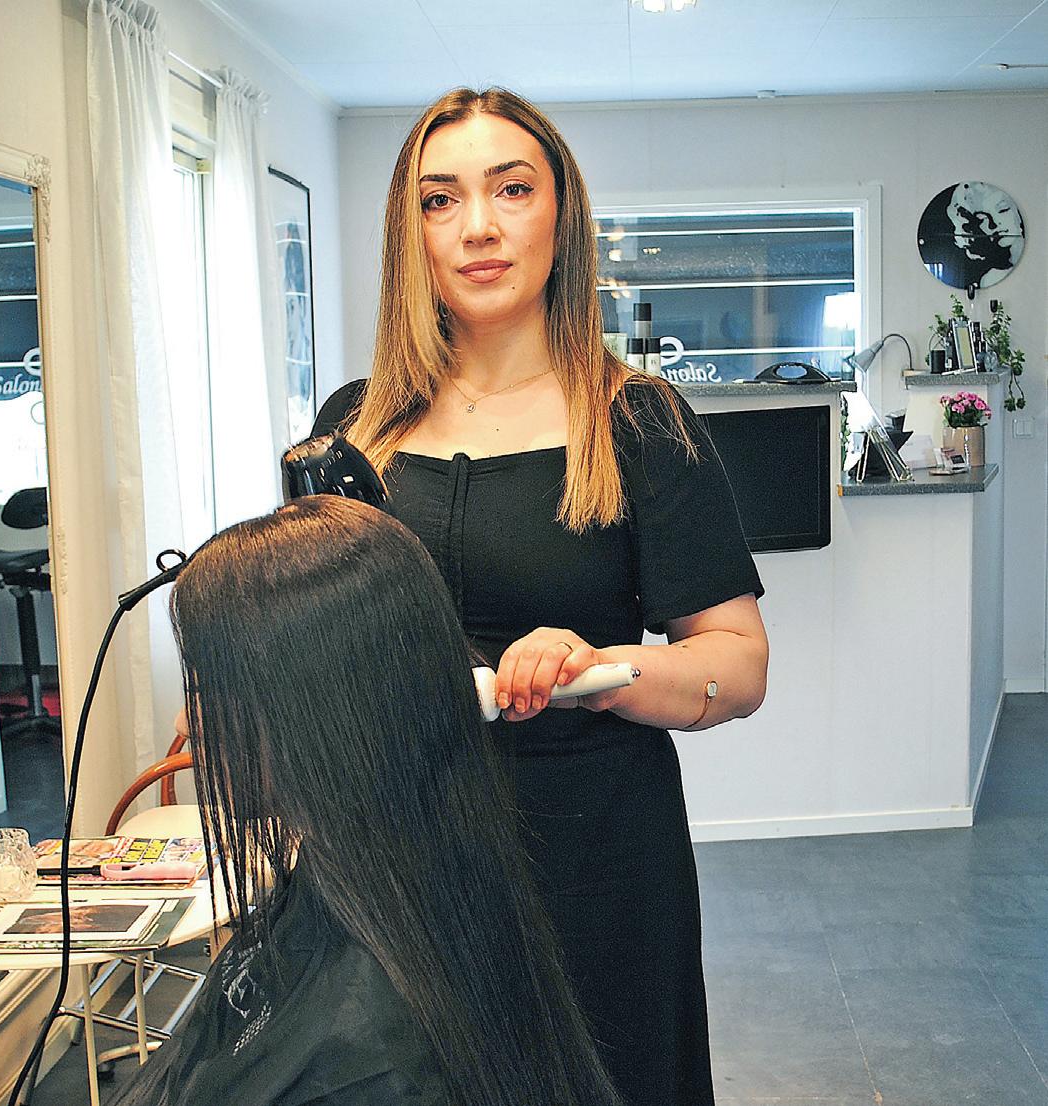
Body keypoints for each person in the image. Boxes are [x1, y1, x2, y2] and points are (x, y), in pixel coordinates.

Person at [312, 86, 770, 1106]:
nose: (476, 226)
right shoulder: (354, 424)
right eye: (440, 200)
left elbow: (738, 664)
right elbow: (314, 630)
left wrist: (600, 669)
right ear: (410, 234)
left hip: (595, 857)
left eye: (510, 189)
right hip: (399, 860)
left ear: (561, 216)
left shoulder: (637, 421)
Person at [112, 495, 619, 1106]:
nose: (184, 722)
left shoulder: (377, 1055)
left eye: (205, 690)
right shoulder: (376, 888)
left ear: (315, 706)